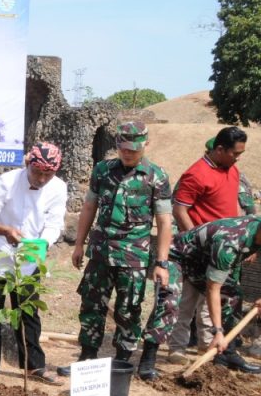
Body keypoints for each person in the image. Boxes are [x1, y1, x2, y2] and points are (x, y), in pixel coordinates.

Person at [62, 122, 173, 377]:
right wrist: (79, 244)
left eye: (133, 149)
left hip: (133, 257)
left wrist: (162, 262)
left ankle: (120, 365)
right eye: (123, 148)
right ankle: (87, 360)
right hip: (101, 253)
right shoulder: (102, 170)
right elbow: (89, 206)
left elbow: (165, 221)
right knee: (91, 306)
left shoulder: (156, 176)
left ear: (146, 144)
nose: (128, 153)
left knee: (129, 310)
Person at [166, 127, 259, 373]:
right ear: (219, 150)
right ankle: (176, 348)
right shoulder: (196, 174)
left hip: (227, 245)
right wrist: (196, 242)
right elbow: (180, 210)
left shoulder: (232, 170)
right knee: (187, 301)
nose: (238, 158)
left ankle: (209, 350)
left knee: (214, 302)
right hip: (199, 248)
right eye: (235, 153)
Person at [0, 142, 67, 386]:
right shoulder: (6, 182)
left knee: (28, 312)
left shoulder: (58, 188)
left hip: (28, 259)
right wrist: (5, 230)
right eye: (38, 172)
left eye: (49, 174)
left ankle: (35, 366)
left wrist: (42, 244)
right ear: (28, 164)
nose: (43, 178)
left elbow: (55, 223)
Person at [144, 216, 261, 377]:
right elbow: (213, 290)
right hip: (178, 256)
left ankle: (226, 355)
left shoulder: (255, 229)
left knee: (234, 296)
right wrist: (218, 331)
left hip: (204, 260)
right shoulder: (229, 242)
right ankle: (147, 362)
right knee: (169, 302)